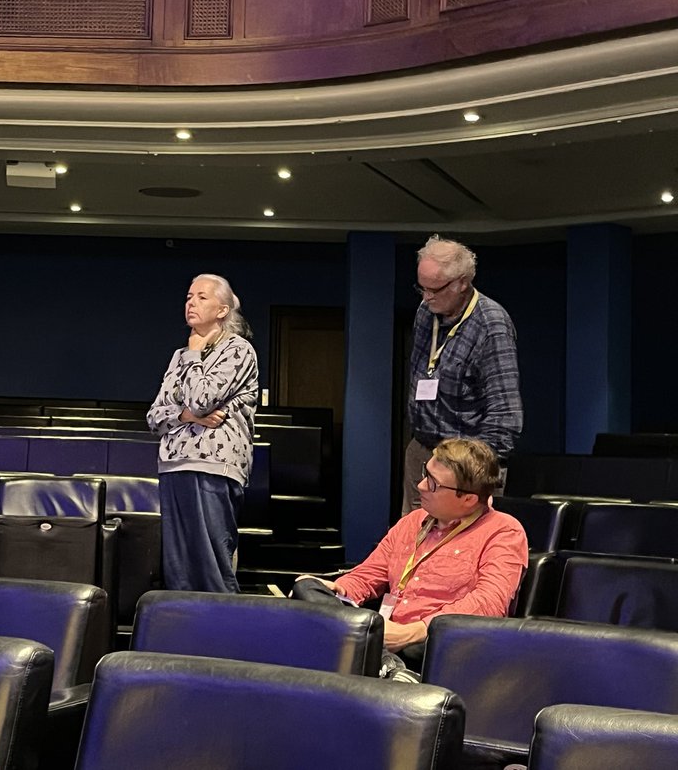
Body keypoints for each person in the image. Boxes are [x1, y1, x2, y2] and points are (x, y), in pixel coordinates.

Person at [289, 438, 527, 678]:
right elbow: (368, 574)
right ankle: (384, 661)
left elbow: (489, 603)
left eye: (433, 484)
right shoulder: (413, 521)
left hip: (435, 643)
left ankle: (372, 655)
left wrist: (414, 631)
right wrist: (340, 588)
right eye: (426, 473)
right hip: (384, 632)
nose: (421, 485)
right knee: (307, 587)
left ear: (468, 499)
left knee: (433, 643)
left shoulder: (503, 531)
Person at [147, 273, 259, 593]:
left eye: (201, 297)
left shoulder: (238, 350)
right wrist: (186, 416)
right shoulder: (178, 356)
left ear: (222, 310)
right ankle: (184, 632)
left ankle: (224, 632)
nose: (191, 303)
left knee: (213, 563)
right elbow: (155, 417)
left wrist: (194, 354)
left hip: (215, 464)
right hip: (174, 464)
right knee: (179, 565)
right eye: (188, 297)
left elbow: (202, 399)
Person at [404, 234, 522, 514]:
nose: (427, 297)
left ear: (462, 283)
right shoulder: (425, 312)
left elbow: (505, 417)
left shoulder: (491, 325)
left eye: (435, 289)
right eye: (422, 288)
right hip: (422, 450)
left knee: (458, 548)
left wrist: (465, 469)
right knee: (413, 543)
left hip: (464, 465)